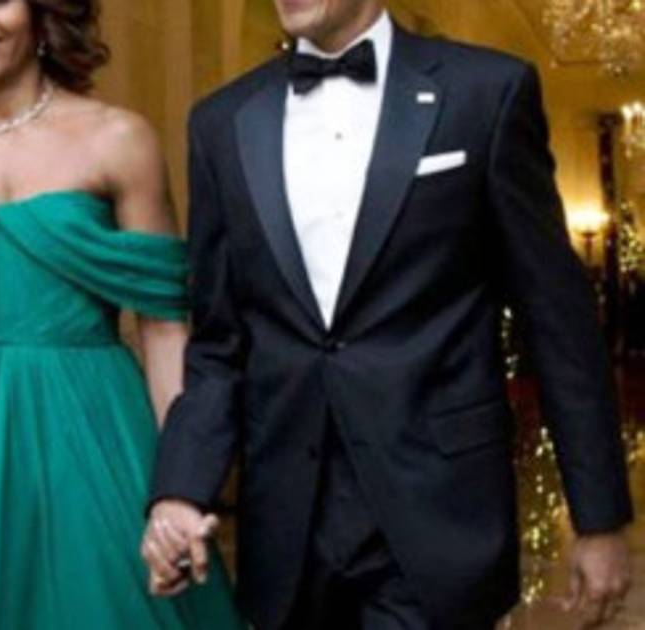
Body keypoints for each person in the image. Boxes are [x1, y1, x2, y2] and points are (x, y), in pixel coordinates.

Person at [142, 2, 634, 629]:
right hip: (290, 524)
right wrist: (181, 489)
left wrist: (599, 517)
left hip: (438, 509)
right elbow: (218, 345)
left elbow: (557, 320)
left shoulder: (486, 93)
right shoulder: (221, 122)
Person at [0, 0, 241, 627]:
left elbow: (165, 330)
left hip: (89, 428)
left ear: (42, 16)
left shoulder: (118, 139)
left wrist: (181, 487)